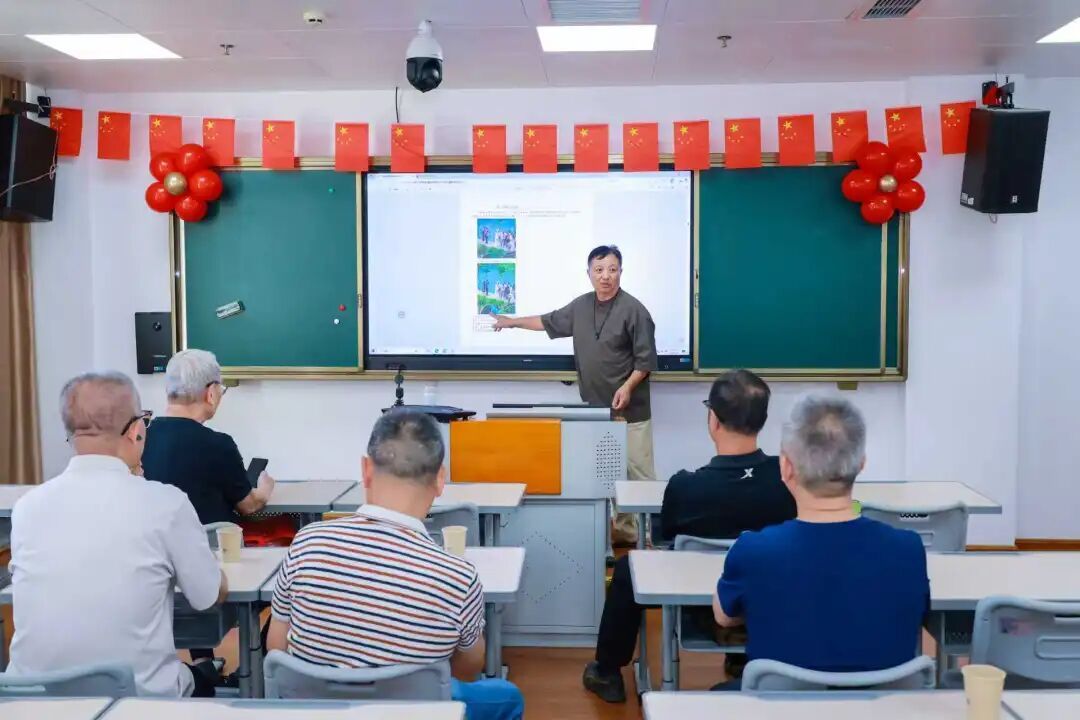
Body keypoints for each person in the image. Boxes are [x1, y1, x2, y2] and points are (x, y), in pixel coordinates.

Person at [267, 410, 524, 720]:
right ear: (440, 479)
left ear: (366, 469)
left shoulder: (306, 543)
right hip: (415, 711)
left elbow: (276, 647)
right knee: (507, 696)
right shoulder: (458, 577)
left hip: (319, 711)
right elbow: (468, 669)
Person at [7, 371, 227, 697]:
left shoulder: (27, 507)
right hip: (138, 700)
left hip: (33, 699)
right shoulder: (165, 504)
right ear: (136, 430)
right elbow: (207, 596)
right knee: (204, 679)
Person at [582, 370, 796, 703]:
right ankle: (741, 654)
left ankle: (607, 671)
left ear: (714, 420)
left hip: (696, 607)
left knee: (627, 570)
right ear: (763, 420)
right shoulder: (788, 480)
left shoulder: (686, 486)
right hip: (764, 602)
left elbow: (668, 538)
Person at [712, 395, 930, 689]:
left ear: (786, 467)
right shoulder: (908, 549)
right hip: (882, 708)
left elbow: (725, 617)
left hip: (779, 708)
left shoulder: (754, 551)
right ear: (861, 463)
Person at [493, 245, 657, 544]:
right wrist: (512, 322)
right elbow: (547, 321)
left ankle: (647, 538)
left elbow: (645, 362)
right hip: (597, 412)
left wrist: (627, 386)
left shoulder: (635, 310)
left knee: (639, 475)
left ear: (621, 272)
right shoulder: (581, 306)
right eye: (599, 270)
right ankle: (623, 534)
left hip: (631, 412)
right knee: (608, 476)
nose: (605, 276)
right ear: (589, 273)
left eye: (612, 269)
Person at [142, 349, 276, 526]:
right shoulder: (219, 445)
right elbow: (249, 505)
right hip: (207, 543)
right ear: (211, 393)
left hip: (157, 542)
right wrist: (265, 490)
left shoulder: (140, 438)